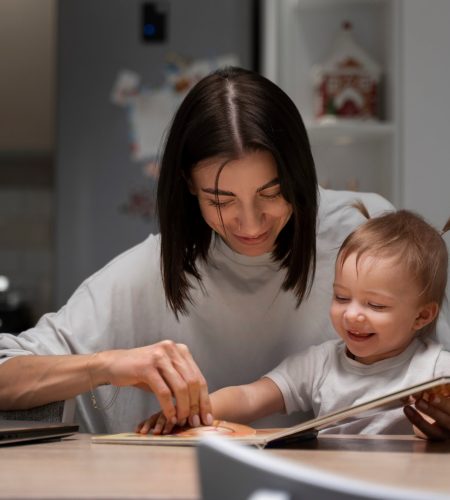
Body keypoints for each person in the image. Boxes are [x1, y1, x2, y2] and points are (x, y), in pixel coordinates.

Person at [0, 67, 449, 438]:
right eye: (220, 201)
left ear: (299, 174)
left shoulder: (364, 233)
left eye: (271, 194)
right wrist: (106, 364)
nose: (250, 225)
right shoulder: (148, 274)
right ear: (189, 189)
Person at [137, 205, 450, 437]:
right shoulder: (321, 364)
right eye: (341, 297)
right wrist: (190, 411)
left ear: (422, 316)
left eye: (376, 305)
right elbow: (250, 397)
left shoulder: (435, 370)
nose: (352, 314)